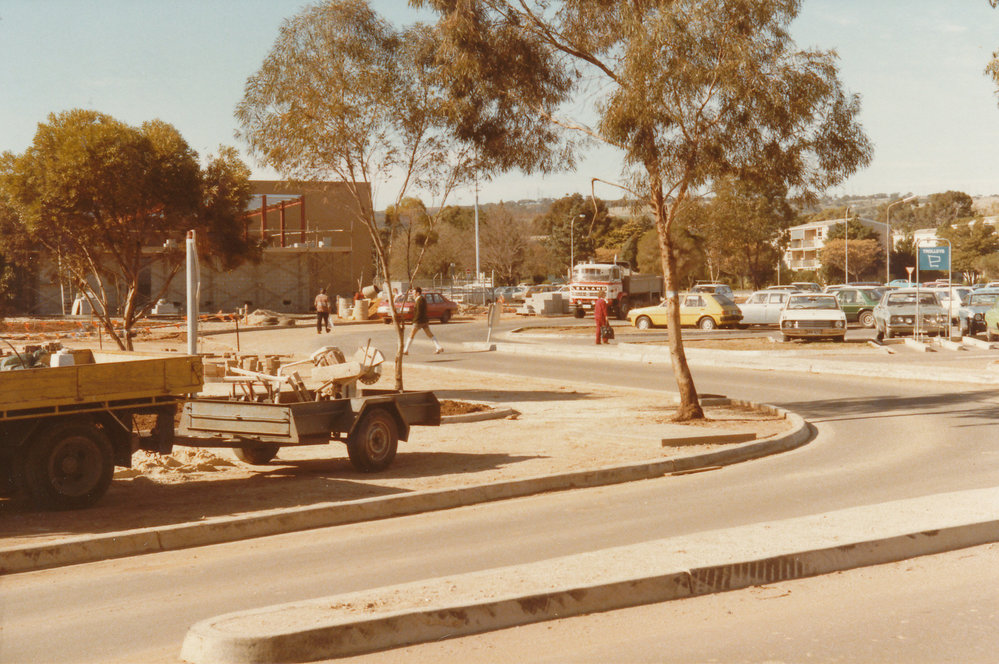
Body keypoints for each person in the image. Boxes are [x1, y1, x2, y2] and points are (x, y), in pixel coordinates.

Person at [403, 286, 443, 354]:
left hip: (419, 321)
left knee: (411, 334)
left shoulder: (420, 300)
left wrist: (414, 321)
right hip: (424, 320)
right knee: (429, 334)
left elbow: (419, 312)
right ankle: (438, 347)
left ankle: (406, 350)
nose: (413, 294)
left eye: (414, 293)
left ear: (418, 293)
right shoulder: (421, 299)